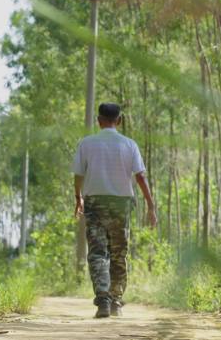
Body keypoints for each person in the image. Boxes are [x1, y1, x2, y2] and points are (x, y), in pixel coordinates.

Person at [72, 102, 157, 318]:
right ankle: (116, 301)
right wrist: (150, 205)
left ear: (99, 120)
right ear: (119, 121)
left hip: (95, 204)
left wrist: (78, 198)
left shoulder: (86, 143)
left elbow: (79, 175)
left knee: (98, 252)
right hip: (121, 204)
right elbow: (140, 177)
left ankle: (103, 300)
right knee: (119, 253)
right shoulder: (129, 145)